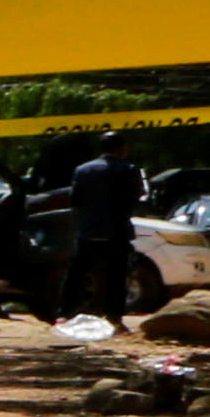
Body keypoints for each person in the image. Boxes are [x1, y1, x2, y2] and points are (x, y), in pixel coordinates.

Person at [56, 138, 145, 323]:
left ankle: (64, 313)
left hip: (88, 231)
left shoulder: (83, 170)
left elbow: (75, 200)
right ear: (122, 148)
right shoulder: (129, 169)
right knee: (117, 276)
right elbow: (136, 197)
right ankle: (114, 317)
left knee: (76, 274)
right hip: (117, 232)